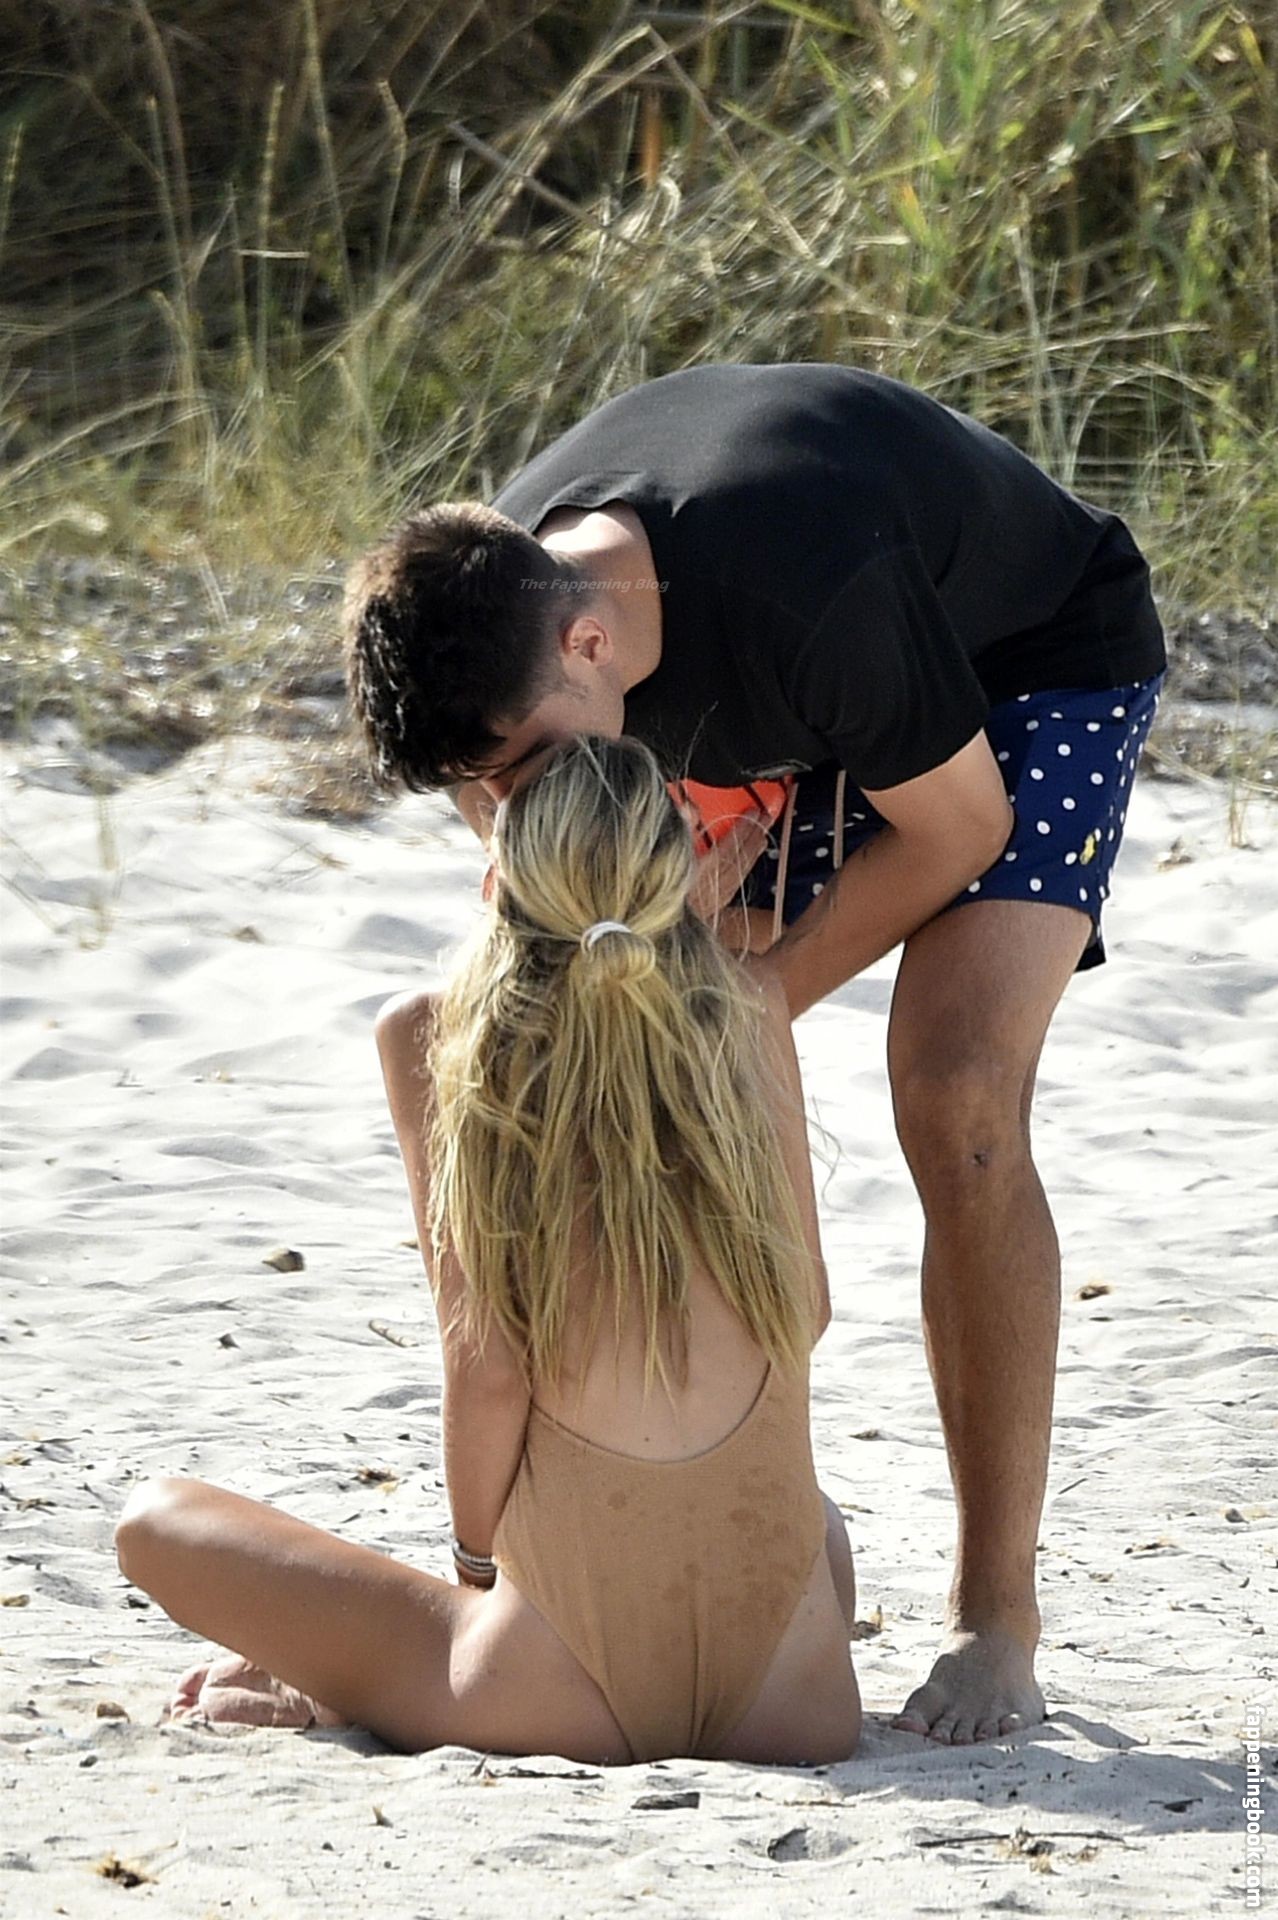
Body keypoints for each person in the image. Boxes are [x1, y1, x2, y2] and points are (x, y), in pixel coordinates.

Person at [341, 360, 1168, 1745]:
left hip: (1026, 667)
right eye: (473, 792)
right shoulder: (502, 620)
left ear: (588, 647)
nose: (502, 816)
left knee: (954, 1096)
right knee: (594, 1034)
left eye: (516, 775)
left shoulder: (800, 590)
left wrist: (734, 1016)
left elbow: (958, 830)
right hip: (810, 709)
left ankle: (995, 1618)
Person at [114, 735, 862, 1766]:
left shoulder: (435, 1035)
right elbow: (806, 1309)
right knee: (813, 1525)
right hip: (797, 1704)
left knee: (153, 1521)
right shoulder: (754, 1007)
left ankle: (332, 1679)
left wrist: (475, 1571)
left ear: (502, 871)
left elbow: (488, 1371)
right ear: (683, 864)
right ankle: (370, 1664)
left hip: (554, 1695)